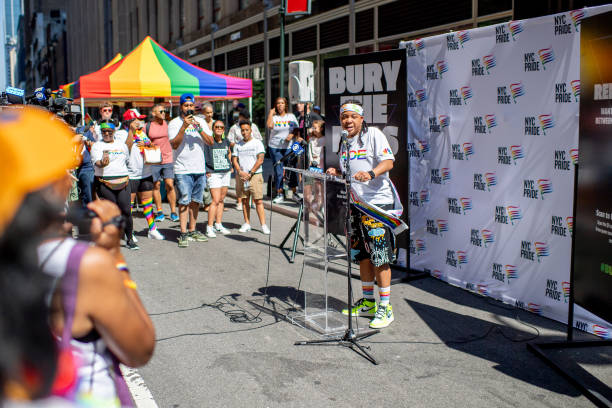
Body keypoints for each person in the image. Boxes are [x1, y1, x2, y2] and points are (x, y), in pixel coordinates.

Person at [326, 100, 397, 329]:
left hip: (376, 205)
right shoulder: (345, 140)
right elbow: (349, 171)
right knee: (362, 255)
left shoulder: (374, 135)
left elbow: (388, 162)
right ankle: (368, 302)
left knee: (380, 255)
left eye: (352, 117)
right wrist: (336, 171)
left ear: (361, 118)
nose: (348, 121)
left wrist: (371, 173)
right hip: (355, 204)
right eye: (344, 117)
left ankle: (385, 307)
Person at [168, 93, 215, 248]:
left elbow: (210, 141)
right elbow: (174, 144)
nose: (189, 108)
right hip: (182, 169)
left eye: (191, 105)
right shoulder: (174, 123)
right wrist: (184, 127)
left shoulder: (200, 121)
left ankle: (192, 230)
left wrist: (199, 128)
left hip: (199, 168)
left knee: (196, 202)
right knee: (184, 201)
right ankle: (183, 233)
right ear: (181, 107)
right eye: (185, 105)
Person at [91, 119, 137, 250]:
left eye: (109, 131)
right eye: (104, 131)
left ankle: (129, 239)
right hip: (104, 182)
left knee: (127, 211)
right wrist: (103, 163)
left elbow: (127, 161)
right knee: (111, 212)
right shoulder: (97, 146)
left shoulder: (121, 145)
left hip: (123, 181)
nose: (106, 134)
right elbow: (97, 163)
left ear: (114, 131)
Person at [120, 110, 164, 241]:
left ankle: (152, 229)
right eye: (136, 119)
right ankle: (129, 231)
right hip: (131, 174)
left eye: (140, 119)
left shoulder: (142, 132)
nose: (139, 122)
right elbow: (125, 148)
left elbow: (150, 145)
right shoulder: (121, 133)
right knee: (129, 206)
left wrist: (148, 144)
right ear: (129, 122)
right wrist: (131, 133)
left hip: (146, 172)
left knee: (148, 204)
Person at [233, 120, 269, 234]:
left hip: (255, 175)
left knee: (258, 200)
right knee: (244, 200)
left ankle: (263, 225)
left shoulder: (257, 143)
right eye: (242, 130)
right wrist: (240, 171)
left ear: (251, 130)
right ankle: (247, 223)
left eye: (246, 130)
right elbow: (234, 159)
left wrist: (250, 173)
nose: (244, 132)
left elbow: (260, 159)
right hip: (242, 176)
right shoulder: (238, 144)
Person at [148, 104, 179, 222]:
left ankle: (173, 212)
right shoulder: (148, 126)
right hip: (154, 159)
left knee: (170, 184)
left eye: (165, 111)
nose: (163, 113)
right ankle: (160, 211)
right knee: (156, 185)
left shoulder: (169, 124)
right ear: (153, 113)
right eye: (161, 111)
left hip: (168, 158)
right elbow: (142, 141)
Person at [227, 109, 262, 212]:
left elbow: (259, 139)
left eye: (247, 118)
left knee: (253, 183)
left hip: (252, 155)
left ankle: (254, 202)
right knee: (240, 180)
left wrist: (250, 144)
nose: (245, 120)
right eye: (243, 118)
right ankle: (239, 201)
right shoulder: (234, 127)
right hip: (239, 154)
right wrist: (240, 144)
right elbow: (230, 141)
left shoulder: (253, 126)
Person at [267, 97, 298, 204]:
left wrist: (291, 135)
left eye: (282, 103)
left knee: (292, 170)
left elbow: (296, 129)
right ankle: (280, 194)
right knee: (279, 172)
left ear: (285, 105)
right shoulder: (274, 118)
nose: (280, 105)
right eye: (278, 103)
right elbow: (269, 126)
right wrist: (271, 113)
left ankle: (294, 193)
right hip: (275, 147)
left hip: (289, 147)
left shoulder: (291, 116)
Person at [204, 120, 232, 237]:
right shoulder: (209, 142)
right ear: (213, 129)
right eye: (217, 127)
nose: (219, 129)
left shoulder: (226, 141)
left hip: (225, 172)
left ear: (224, 129)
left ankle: (218, 224)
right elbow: (203, 156)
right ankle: (209, 227)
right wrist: (206, 170)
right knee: (215, 200)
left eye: (221, 127)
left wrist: (230, 165)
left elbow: (229, 152)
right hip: (214, 173)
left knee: (221, 200)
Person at [75, 123, 96, 208]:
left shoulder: (84, 129)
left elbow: (94, 143)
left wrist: (87, 142)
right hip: (67, 167)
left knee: (88, 194)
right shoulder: (58, 130)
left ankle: (88, 215)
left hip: (86, 167)